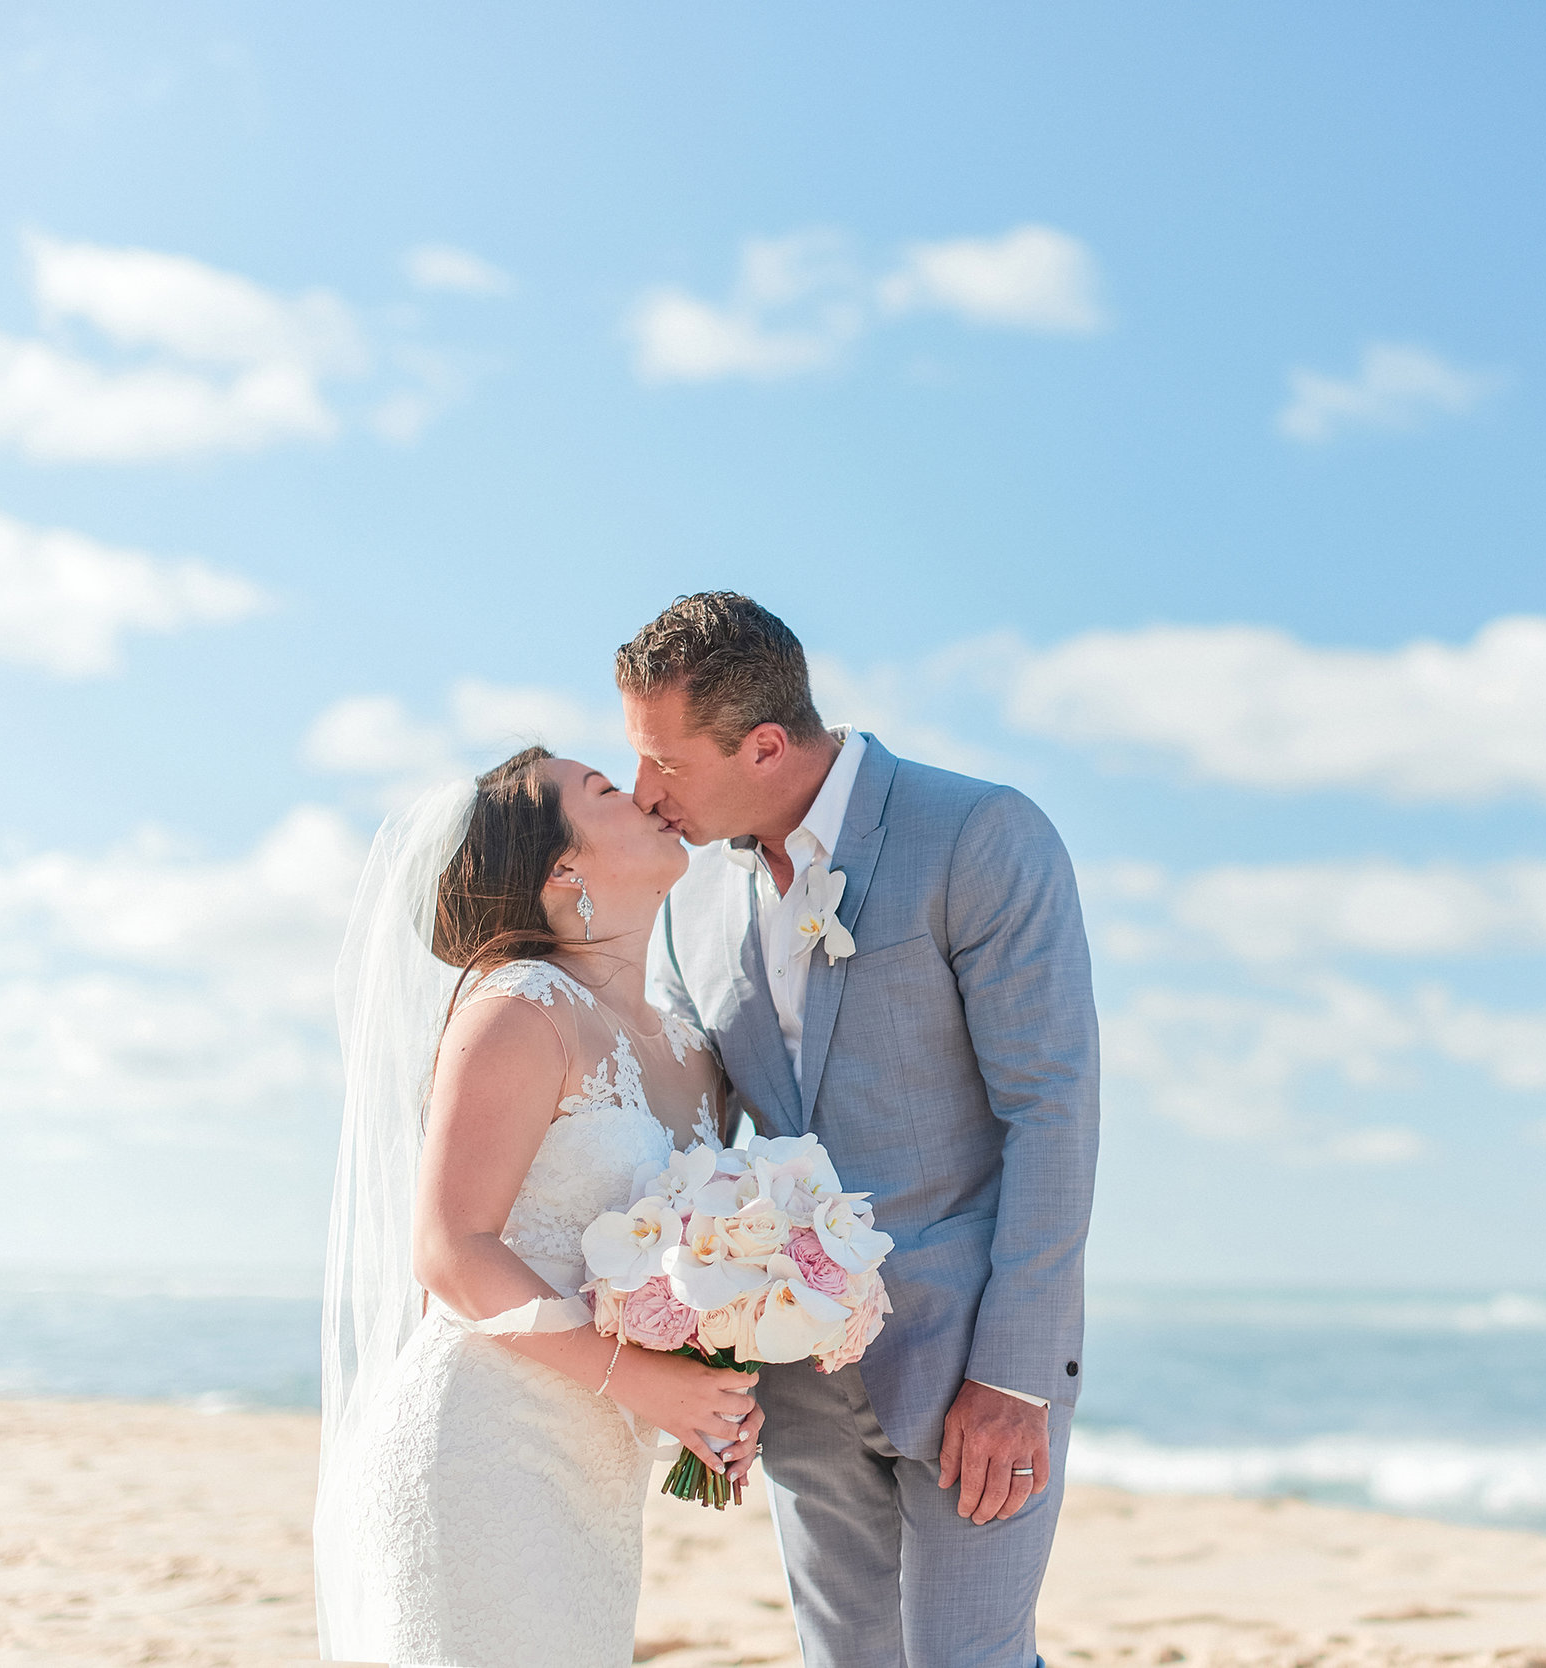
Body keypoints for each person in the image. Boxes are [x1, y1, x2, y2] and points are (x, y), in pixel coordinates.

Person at [624, 592, 1100, 1668]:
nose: (645, 793)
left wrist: (1016, 1379)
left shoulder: (979, 836)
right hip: (795, 1378)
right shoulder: (686, 907)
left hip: (969, 1362)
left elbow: (1053, 1113)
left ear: (763, 746)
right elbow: (685, 1147)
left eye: (665, 762)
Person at [312, 746, 766, 1668]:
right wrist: (640, 1381)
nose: (644, 793)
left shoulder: (694, 1051)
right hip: (481, 1451)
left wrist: (712, 1375)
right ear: (566, 872)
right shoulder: (518, 1011)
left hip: (599, 1478)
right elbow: (449, 1250)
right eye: (604, 790)